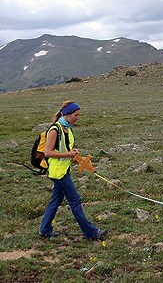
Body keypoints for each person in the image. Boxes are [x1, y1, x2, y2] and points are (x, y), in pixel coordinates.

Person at [39, 101, 108, 240]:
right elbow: (47, 152)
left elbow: (64, 149)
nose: (78, 118)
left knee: (55, 200)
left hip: (64, 170)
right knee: (75, 199)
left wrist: (73, 154)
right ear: (68, 114)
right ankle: (91, 232)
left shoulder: (67, 129)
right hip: (58, 173)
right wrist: (68, 155)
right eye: (76, 115)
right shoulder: (54, 130)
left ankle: (45, 229)